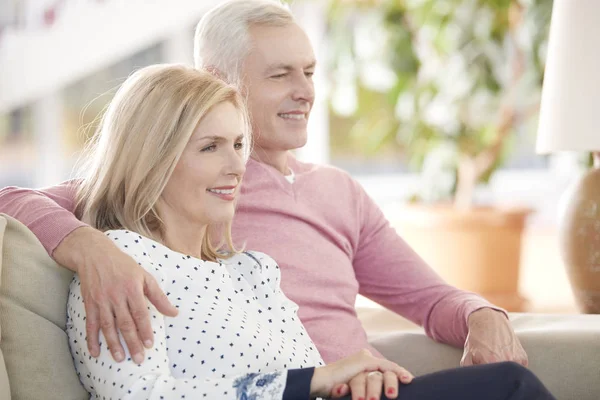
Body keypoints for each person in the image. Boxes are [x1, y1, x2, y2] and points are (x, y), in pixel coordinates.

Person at [0, 0, 526, 368]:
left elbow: (431, 300)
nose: (304, 92)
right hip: (293, 388)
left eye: (310, 72)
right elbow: (9, 198)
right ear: (216, 80)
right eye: (280, 75)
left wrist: (481, 314)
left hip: (377, 386)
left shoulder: (338, 191)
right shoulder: (182, 181)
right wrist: (88, 245)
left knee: (510, 383)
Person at [63, 63, 555, 400]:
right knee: (509, 386)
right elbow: (139, 395)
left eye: (238, 143)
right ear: (153, 158)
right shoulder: (118, 264)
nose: (236, 166)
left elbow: (307, 377)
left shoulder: (251, 270)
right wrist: (318, 380)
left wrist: (350, 380)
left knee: (505, 384)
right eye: (210, 147)